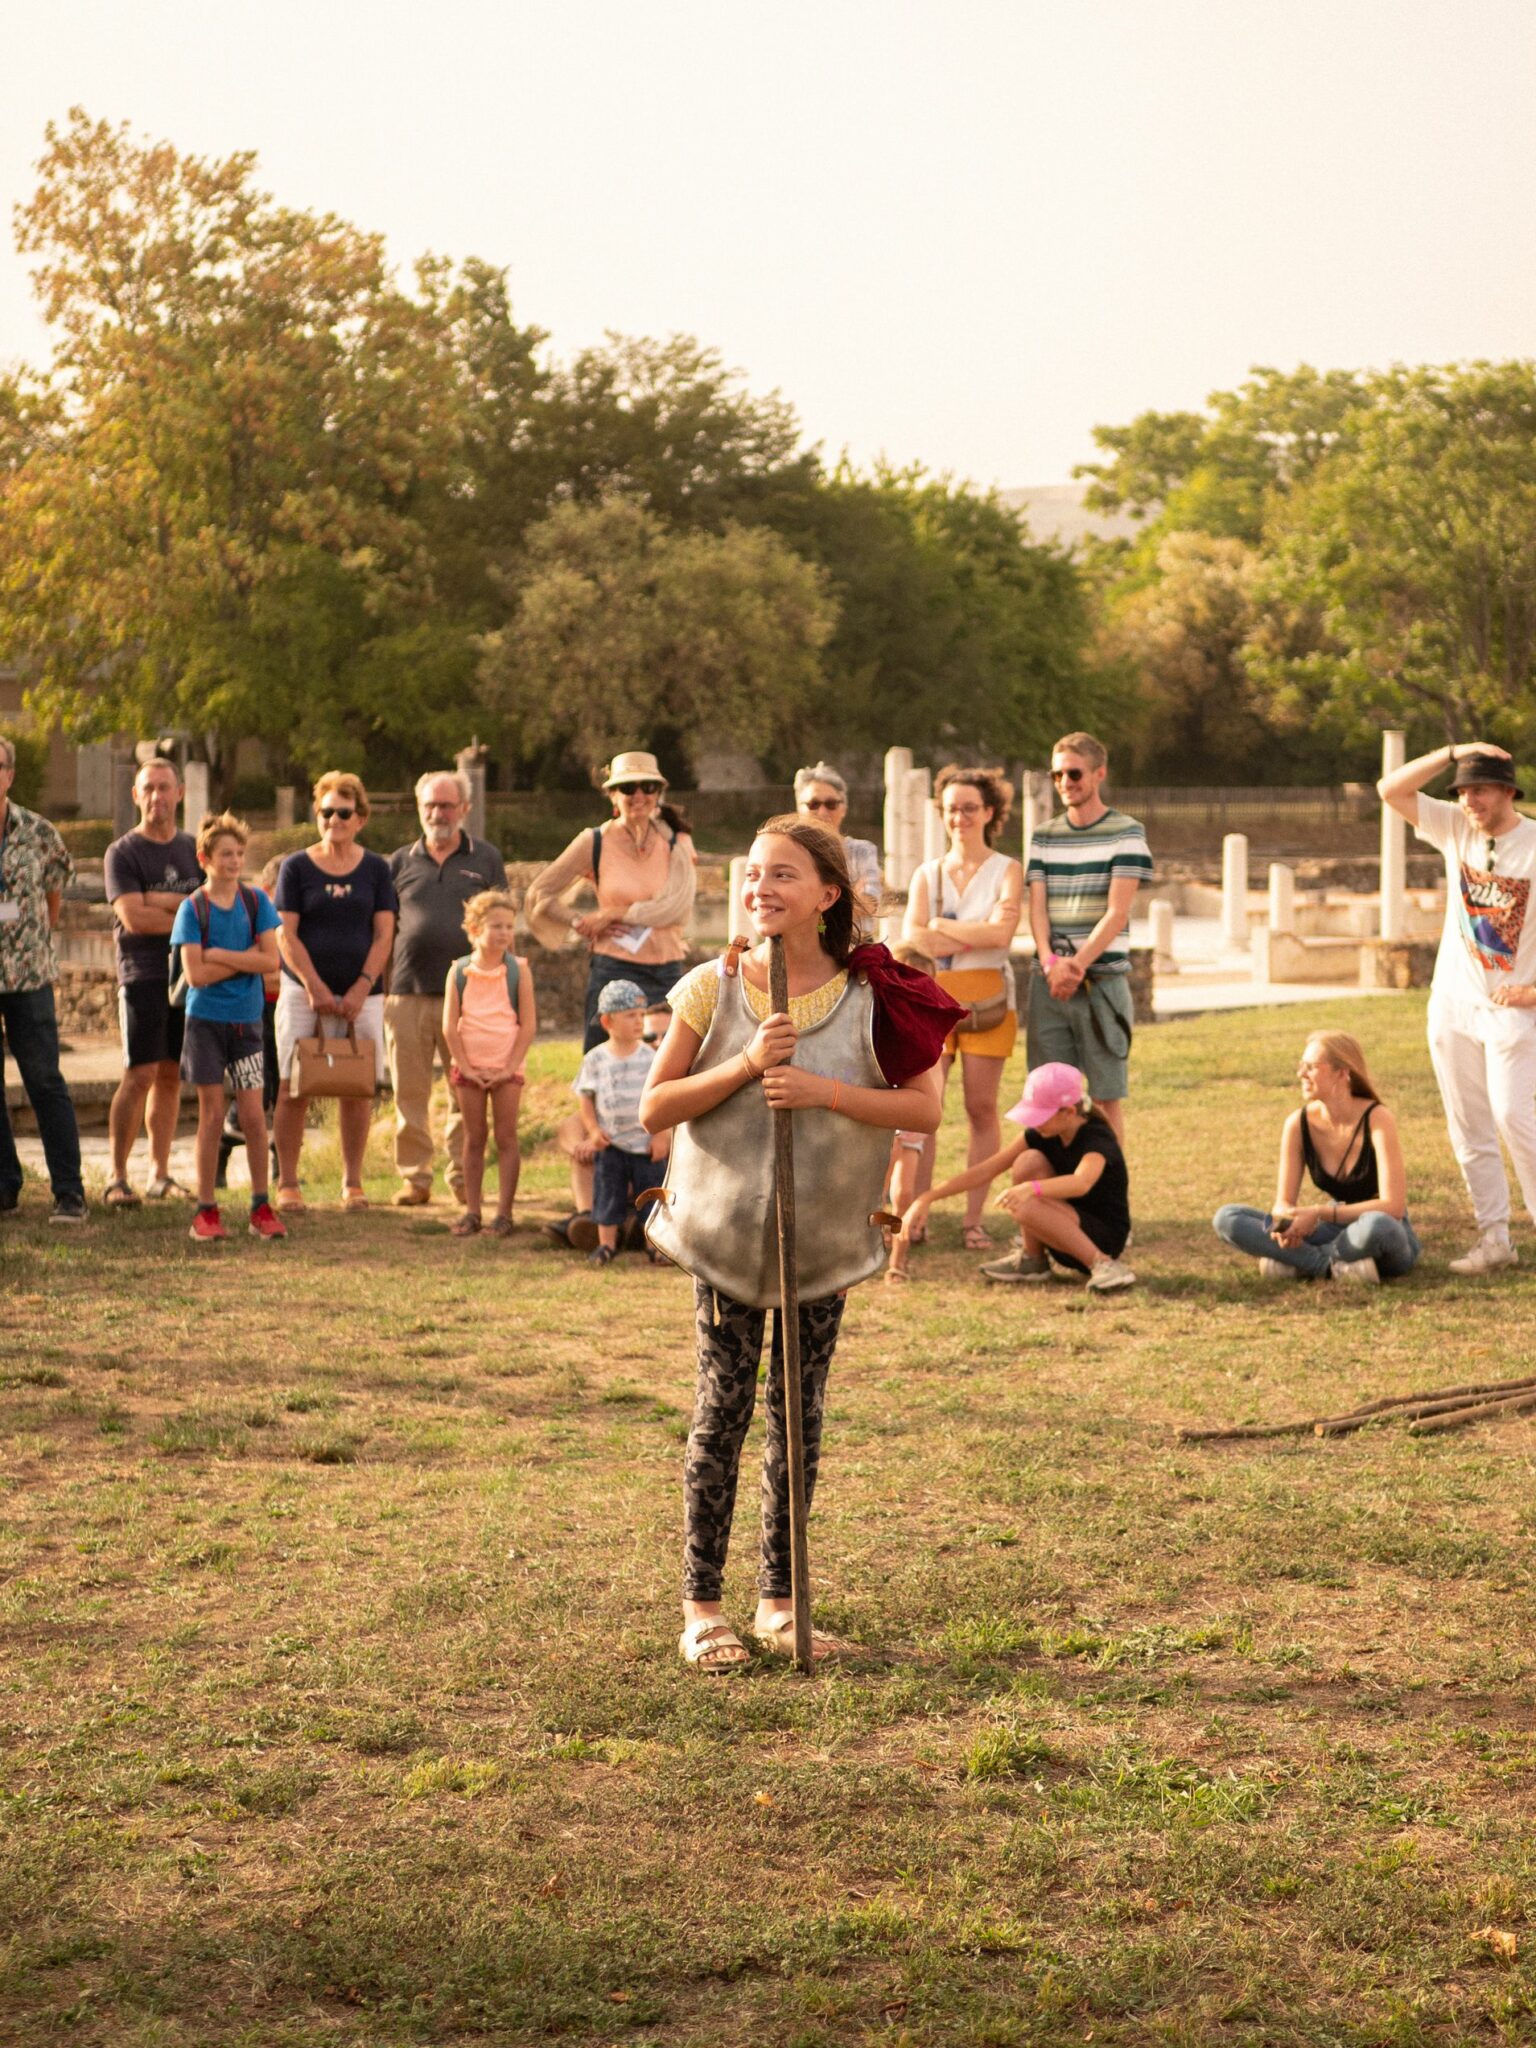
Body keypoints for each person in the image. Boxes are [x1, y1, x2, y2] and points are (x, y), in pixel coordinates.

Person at [641, 816, 958, 1674]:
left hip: (822, 1238)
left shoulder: (876, 995)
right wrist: (745, 1066)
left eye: (783, 874)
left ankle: (780, 1604)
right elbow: (655, 1107)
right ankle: (703, 1610)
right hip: (723, 1239)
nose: (761, 887)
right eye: (753, 872)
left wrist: (825, 1092)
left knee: (798, 1415)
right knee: (723, 1411)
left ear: (827, 894)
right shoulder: (710, 987)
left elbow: (925, 1109)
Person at [1379, 741, 1536, 1274]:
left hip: (1512, 1009)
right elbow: (1390, 789)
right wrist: (1453, 751)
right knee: (1468, 1126)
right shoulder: (1454, 828)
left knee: (1514, 1115)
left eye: (1481, 789)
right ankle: (1495, 1240)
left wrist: (1533, 993)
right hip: (1452, 1004)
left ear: (1508, 791)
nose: (1470, 800)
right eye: (1463, 791)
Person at [903, 765, 1023, 1251]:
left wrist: (942, 927)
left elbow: (1003, 935)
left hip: (990, 1001)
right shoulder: (927, 873)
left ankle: (974, 1219)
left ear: (989, 812)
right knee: (927, 1108)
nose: (960, 818)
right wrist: (973, 933)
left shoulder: (1007, 869)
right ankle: (917, 1213)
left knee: (981, 1108)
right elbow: (915, 940)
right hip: (935, 1001)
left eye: (970, 808)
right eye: (952, 809)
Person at [272, 772, 397, 1212]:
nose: (334, 820)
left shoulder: (376, 869)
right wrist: (314, 985)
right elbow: (285, 933)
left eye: (344, 812)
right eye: (326, 812)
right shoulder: (296, 867)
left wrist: (362, 985)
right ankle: (288, 1182)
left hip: (364, 994)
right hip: (303, 991)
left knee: (358, 1086)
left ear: (360, 818)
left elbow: (384, 934)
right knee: (292, 1084)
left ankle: (353, 1183)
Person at [899, 1060, 1136, 1293]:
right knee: (1027, 1161)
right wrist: (927, 1198)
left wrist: (1031, 1188)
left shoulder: (1097, 1138)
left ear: (1069, 1112)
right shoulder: (1043, 1133)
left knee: (1025, 1204)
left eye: (1041, 1115)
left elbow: (1081, 1183)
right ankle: (1033, 1260)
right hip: (1062, 1230)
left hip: (1103, 1238)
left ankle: (1104, 1265)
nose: (1035, 1123)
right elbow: (987, 1169)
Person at [386, 771, 508, 1209]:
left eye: (446, 805)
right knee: (409, 1092)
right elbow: (384, 928)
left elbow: (503, 923)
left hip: (471, 994)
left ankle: (462, 1176)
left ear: (464, 809)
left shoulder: (486, 858)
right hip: (408, 992)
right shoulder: (399, 862)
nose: (438, 814)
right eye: (430, 806)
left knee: (465, 1092)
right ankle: (415, 1178)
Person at [1025, 732, 1153, 1146]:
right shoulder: (1043, 836)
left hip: (1101, 982)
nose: (1065, 782)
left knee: (1104, 1097)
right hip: (1049, 983)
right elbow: (1037, 909)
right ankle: (1058, 1177)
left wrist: (1075, 967)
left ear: (1099, 773)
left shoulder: (1127, 832)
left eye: (1074, 773)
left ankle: (1107, 1180)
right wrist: (1051, 964)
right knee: (1047, 1097)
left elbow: (1117, 912)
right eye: (1057, 774)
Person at [524, 750, 696, 1053]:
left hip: (666, 967)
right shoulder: (595, 841)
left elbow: (678, 908)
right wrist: (578, 922)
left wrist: (614, 913)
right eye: (628, 788)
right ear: (613, 795)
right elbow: (540, 893)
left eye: (648, 787)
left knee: (670, 1062)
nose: (639, 795)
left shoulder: (676, 843)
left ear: (658, 793)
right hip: (614, 967)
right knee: (603, 1056)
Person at [1213, 1032, 1418, 1284]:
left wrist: (1319, 1213)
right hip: (1331, 1231)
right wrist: (1286, 1224)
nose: (1301, 1074)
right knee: (1228, 1218)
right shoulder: (1297, 1124)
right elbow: (1283, 1204)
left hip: (1380, 1232)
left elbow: (1394, 1207)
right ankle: (1329, 1267)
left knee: (1377, 1224)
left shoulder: (1378, 1118)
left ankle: (1299, 1262)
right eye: (1301, 1066)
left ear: (1342, 1072)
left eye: (1310, 1067)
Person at [171, 813, 286, 1244]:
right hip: (205, 1024)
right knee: (212, 1115)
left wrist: (219, 954)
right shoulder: (192, 908)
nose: (235, 861)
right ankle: (206, 1209)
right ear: (205, 859)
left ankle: (261, 1205)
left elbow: (270, 961)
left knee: (254, 1116)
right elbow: (195, 975)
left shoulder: (256, 903)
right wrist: (244, 960)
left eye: (239, 853)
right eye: (226, 854)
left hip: (247, 1024)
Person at [102, 756, 200, 1204]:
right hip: (142, 975)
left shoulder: (194, 849)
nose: (157, 796)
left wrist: (156, 899)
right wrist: (184, 912)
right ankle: (117, 1177)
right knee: (139, 1073)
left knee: (170, 1075)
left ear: (179, 793)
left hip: (189, 976)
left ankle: (160, 1174)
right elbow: (134, 918)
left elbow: (212, 906)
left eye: (164, 787)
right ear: (135, 795)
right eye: (149, 788)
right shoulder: (122, 853)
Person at [0, 734, 86, 1223]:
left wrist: (29, 939)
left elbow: (53, 899)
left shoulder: (39, 833)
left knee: (44, 1080)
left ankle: (69, 1192)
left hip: (28, 977)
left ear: (10, 774)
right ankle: (4, 1186)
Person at [441, 889, 535, 1238]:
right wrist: (464, 1066)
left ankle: (504, 1214)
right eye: (496, 926)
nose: (504, 933)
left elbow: (528, 1025)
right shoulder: (459, 971)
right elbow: (449, 1025)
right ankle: (472, 1211)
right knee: (474, 1137)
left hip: (507, 1068)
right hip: (470, 1068)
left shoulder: (519, 970)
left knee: (506, 1137)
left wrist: (509, 1068)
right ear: (475, 928)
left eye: (509, 926)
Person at [572, 978, 668, 1267]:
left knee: (651, 1197)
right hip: (611, 1144)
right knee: (607, 1194)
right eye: (630, 1016)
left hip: (645, 1145)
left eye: (641, 1015)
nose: (639, 1021)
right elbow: (586, 1098)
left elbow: (662, 1097)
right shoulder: (595, 1060)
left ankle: (655, 1246)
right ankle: (606, 1245)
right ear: (607, 1021)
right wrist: (593, 1130)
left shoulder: (652, 1058)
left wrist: (661, 1135)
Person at [216, 856, 283, 1191]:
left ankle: (281, 1169)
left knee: (285, 1089)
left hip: (284, 1009)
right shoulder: (252, 918)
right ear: (268, 889)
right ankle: (221, 1151)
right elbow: (261, 969)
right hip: (256, 1011)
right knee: (258, 1090)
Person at [794, 761, 883, 907]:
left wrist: (810, 907)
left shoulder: (861, 851)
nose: (822, 812)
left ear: (844, 809)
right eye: (813, 804)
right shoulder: (788, 852)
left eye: (831, 804)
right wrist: (850, 900)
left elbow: (869, 903)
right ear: (799, 808)